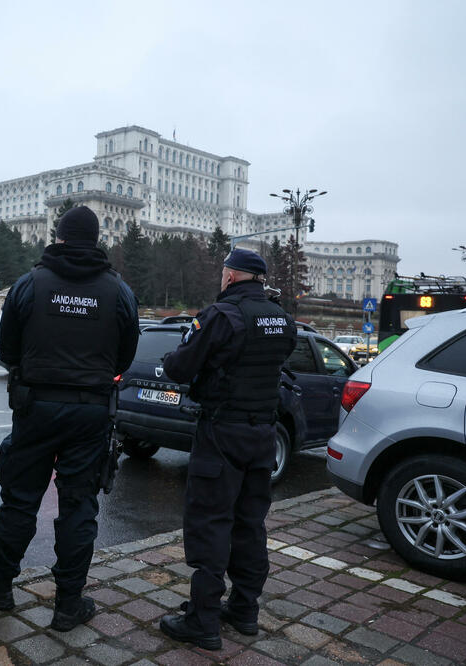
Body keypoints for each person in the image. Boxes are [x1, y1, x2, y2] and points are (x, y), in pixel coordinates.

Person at [0, 205, 140, 631]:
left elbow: (7, 349)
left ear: (59, 237)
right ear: (96, 240)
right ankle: (68, 604)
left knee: (20, 499)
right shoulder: (118, 291)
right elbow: (126, 354)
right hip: (90, 410)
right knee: (79, 505)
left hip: (35, 407)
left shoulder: (30, 284)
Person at [158, 248, 295, 651]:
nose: (221, 279)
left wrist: (174, 358)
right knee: (250, 522)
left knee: (211, 522)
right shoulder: (281, 318)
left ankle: (202, 620)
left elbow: (180, 367)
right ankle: (245, 610)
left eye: (223, 273)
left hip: (223, 432)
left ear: (232, 277)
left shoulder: (221, 316)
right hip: (263, 434)